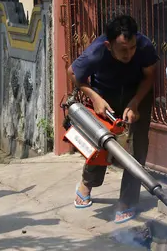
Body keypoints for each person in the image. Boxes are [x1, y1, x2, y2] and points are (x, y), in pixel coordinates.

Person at [68, 15, 159, 224]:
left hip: (137, 94)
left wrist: (135, 102)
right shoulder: (97, 51)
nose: (129, 53)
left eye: (132, 47)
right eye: (123, 50)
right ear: (109, 45)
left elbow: (150, 75)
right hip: (104, 96)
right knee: (100, 143)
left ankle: (128, 201)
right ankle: (86, 183)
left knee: (138, 147)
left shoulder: (144, 46)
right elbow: (73, 73)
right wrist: (95, 98)